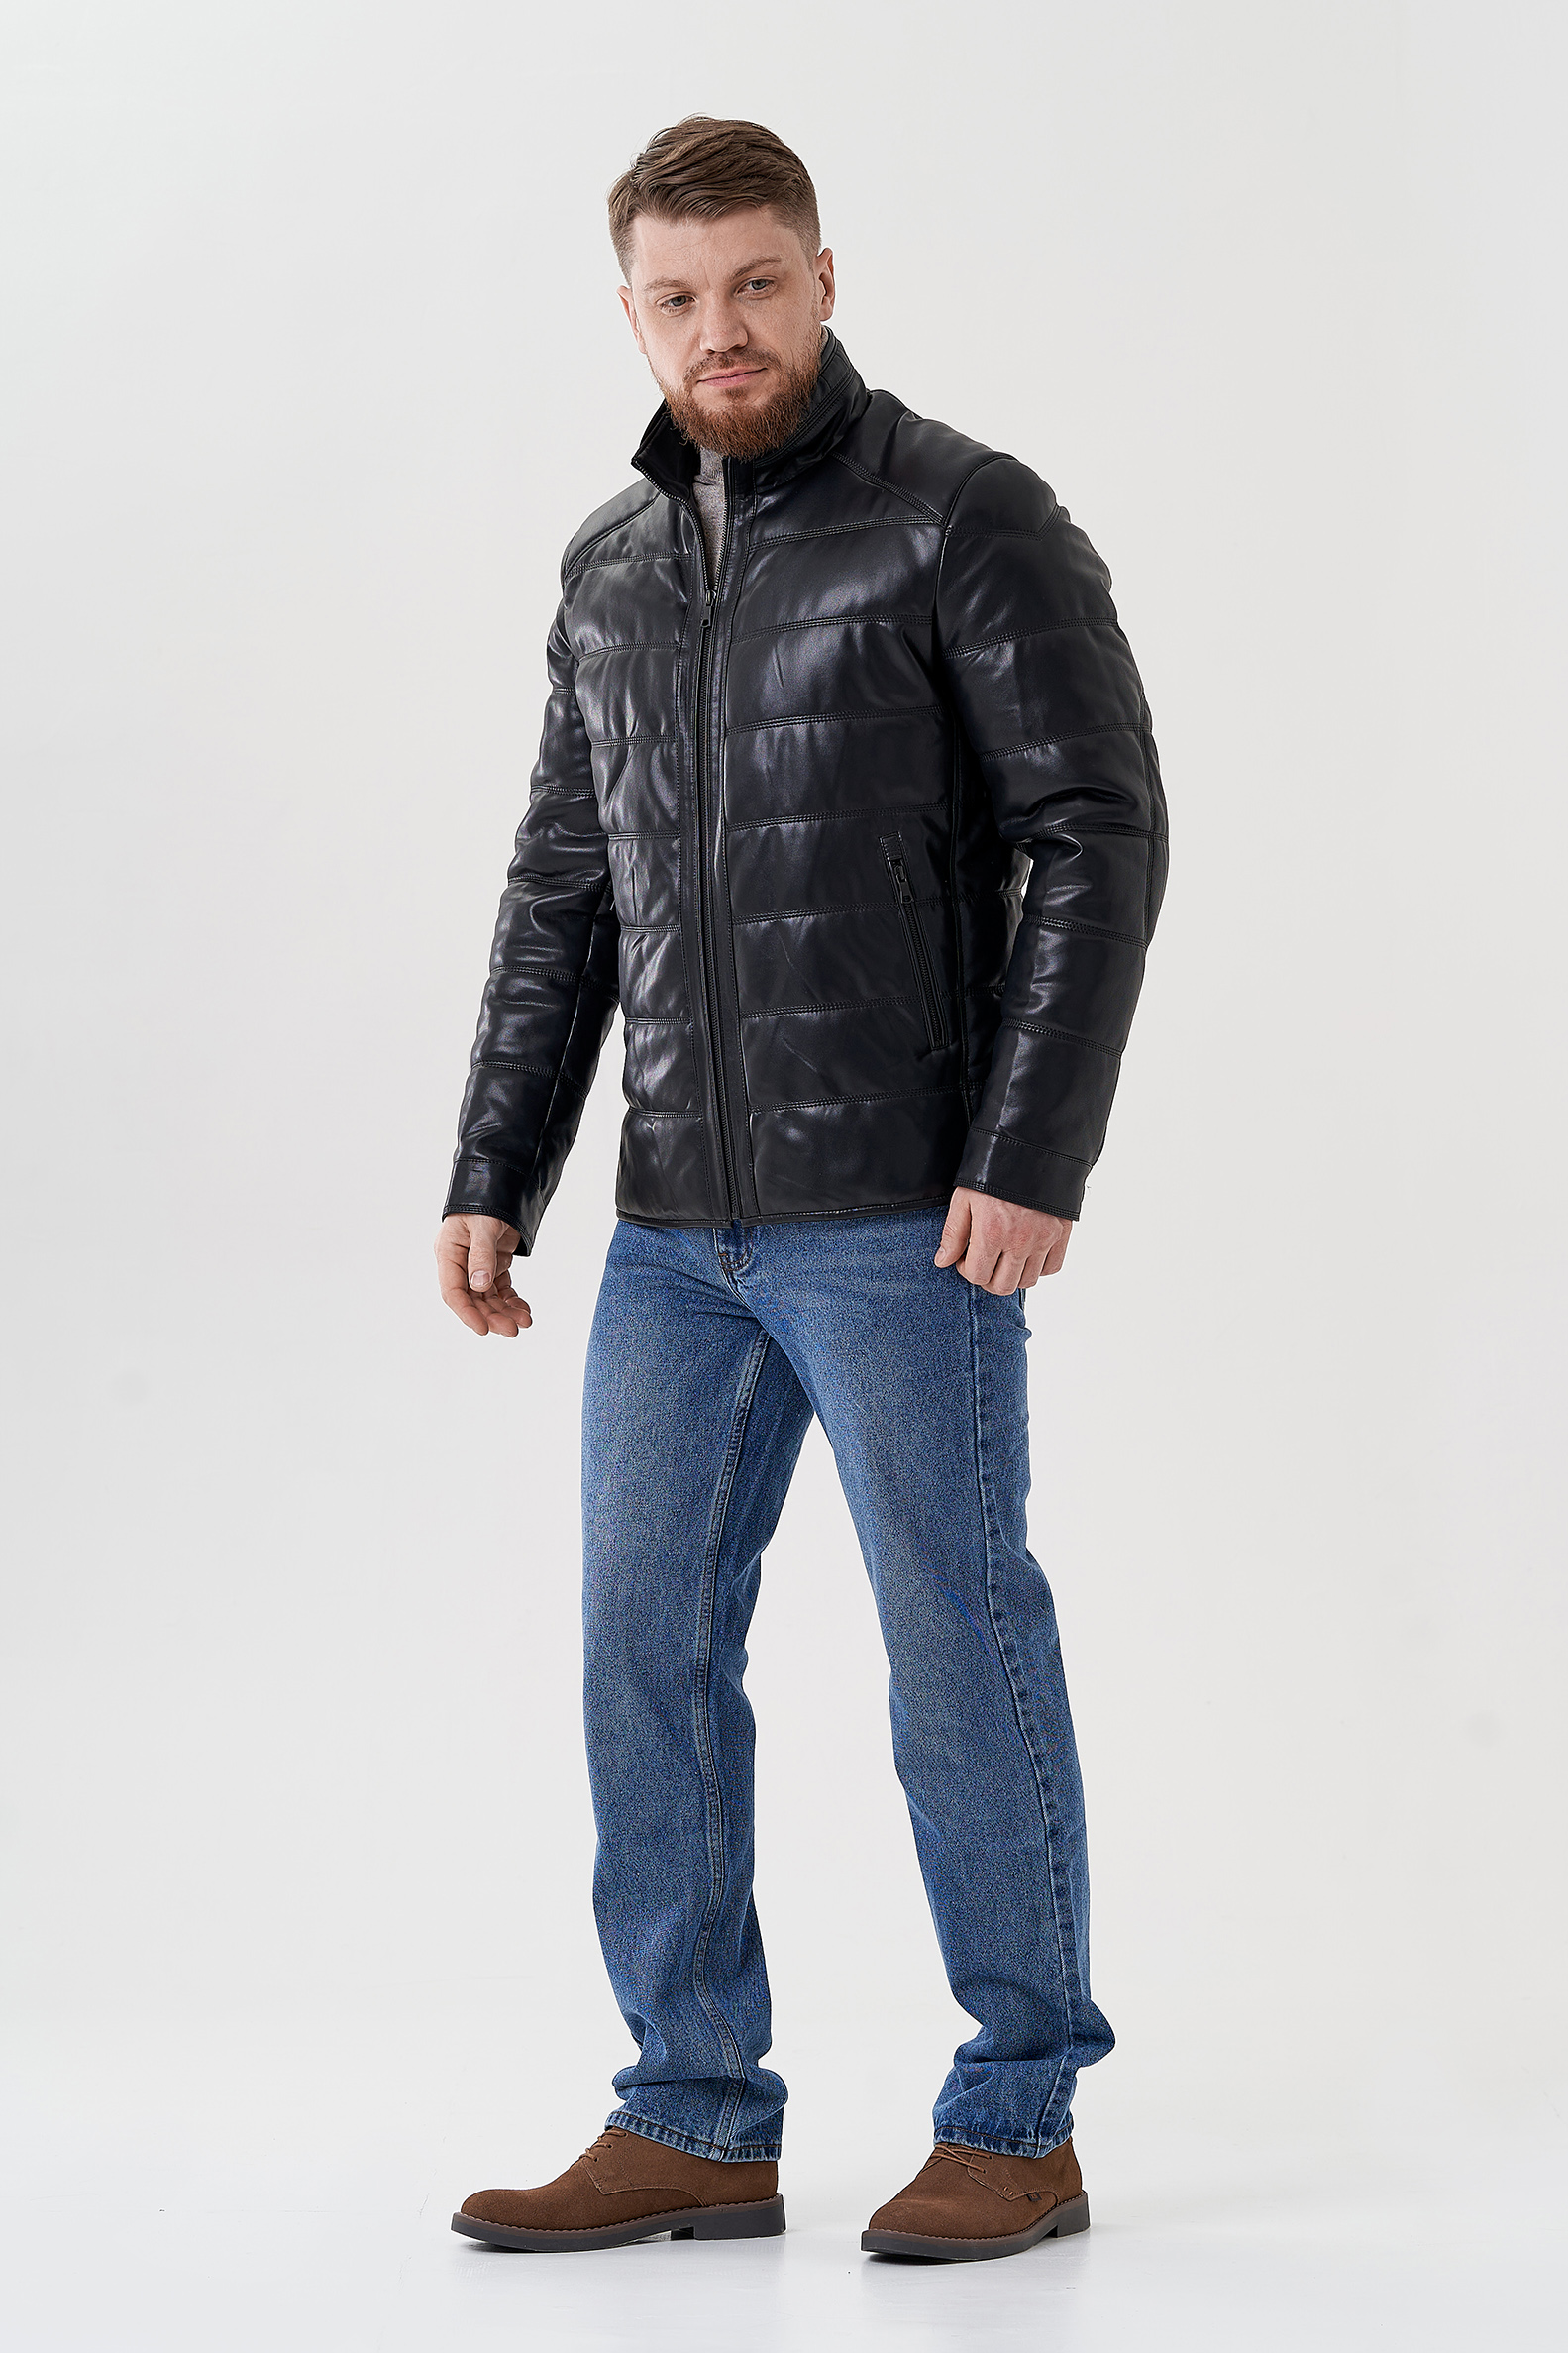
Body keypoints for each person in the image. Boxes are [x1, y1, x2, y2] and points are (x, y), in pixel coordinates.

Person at [436, 114, 1167, 2264]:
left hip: (903, 1218)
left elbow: (1098, 831)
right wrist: (496, 1166)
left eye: (755, 282)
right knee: (640, 1651)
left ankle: (1018, 2113)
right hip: (675, 1230)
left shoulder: (963, 517)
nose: (720, 329)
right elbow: (563, 889)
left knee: (958, 1644)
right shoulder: (609, 567)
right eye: (677, 297)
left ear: (824, 278)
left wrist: (1027, 1152)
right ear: (632, 312)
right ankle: (693, 2111)